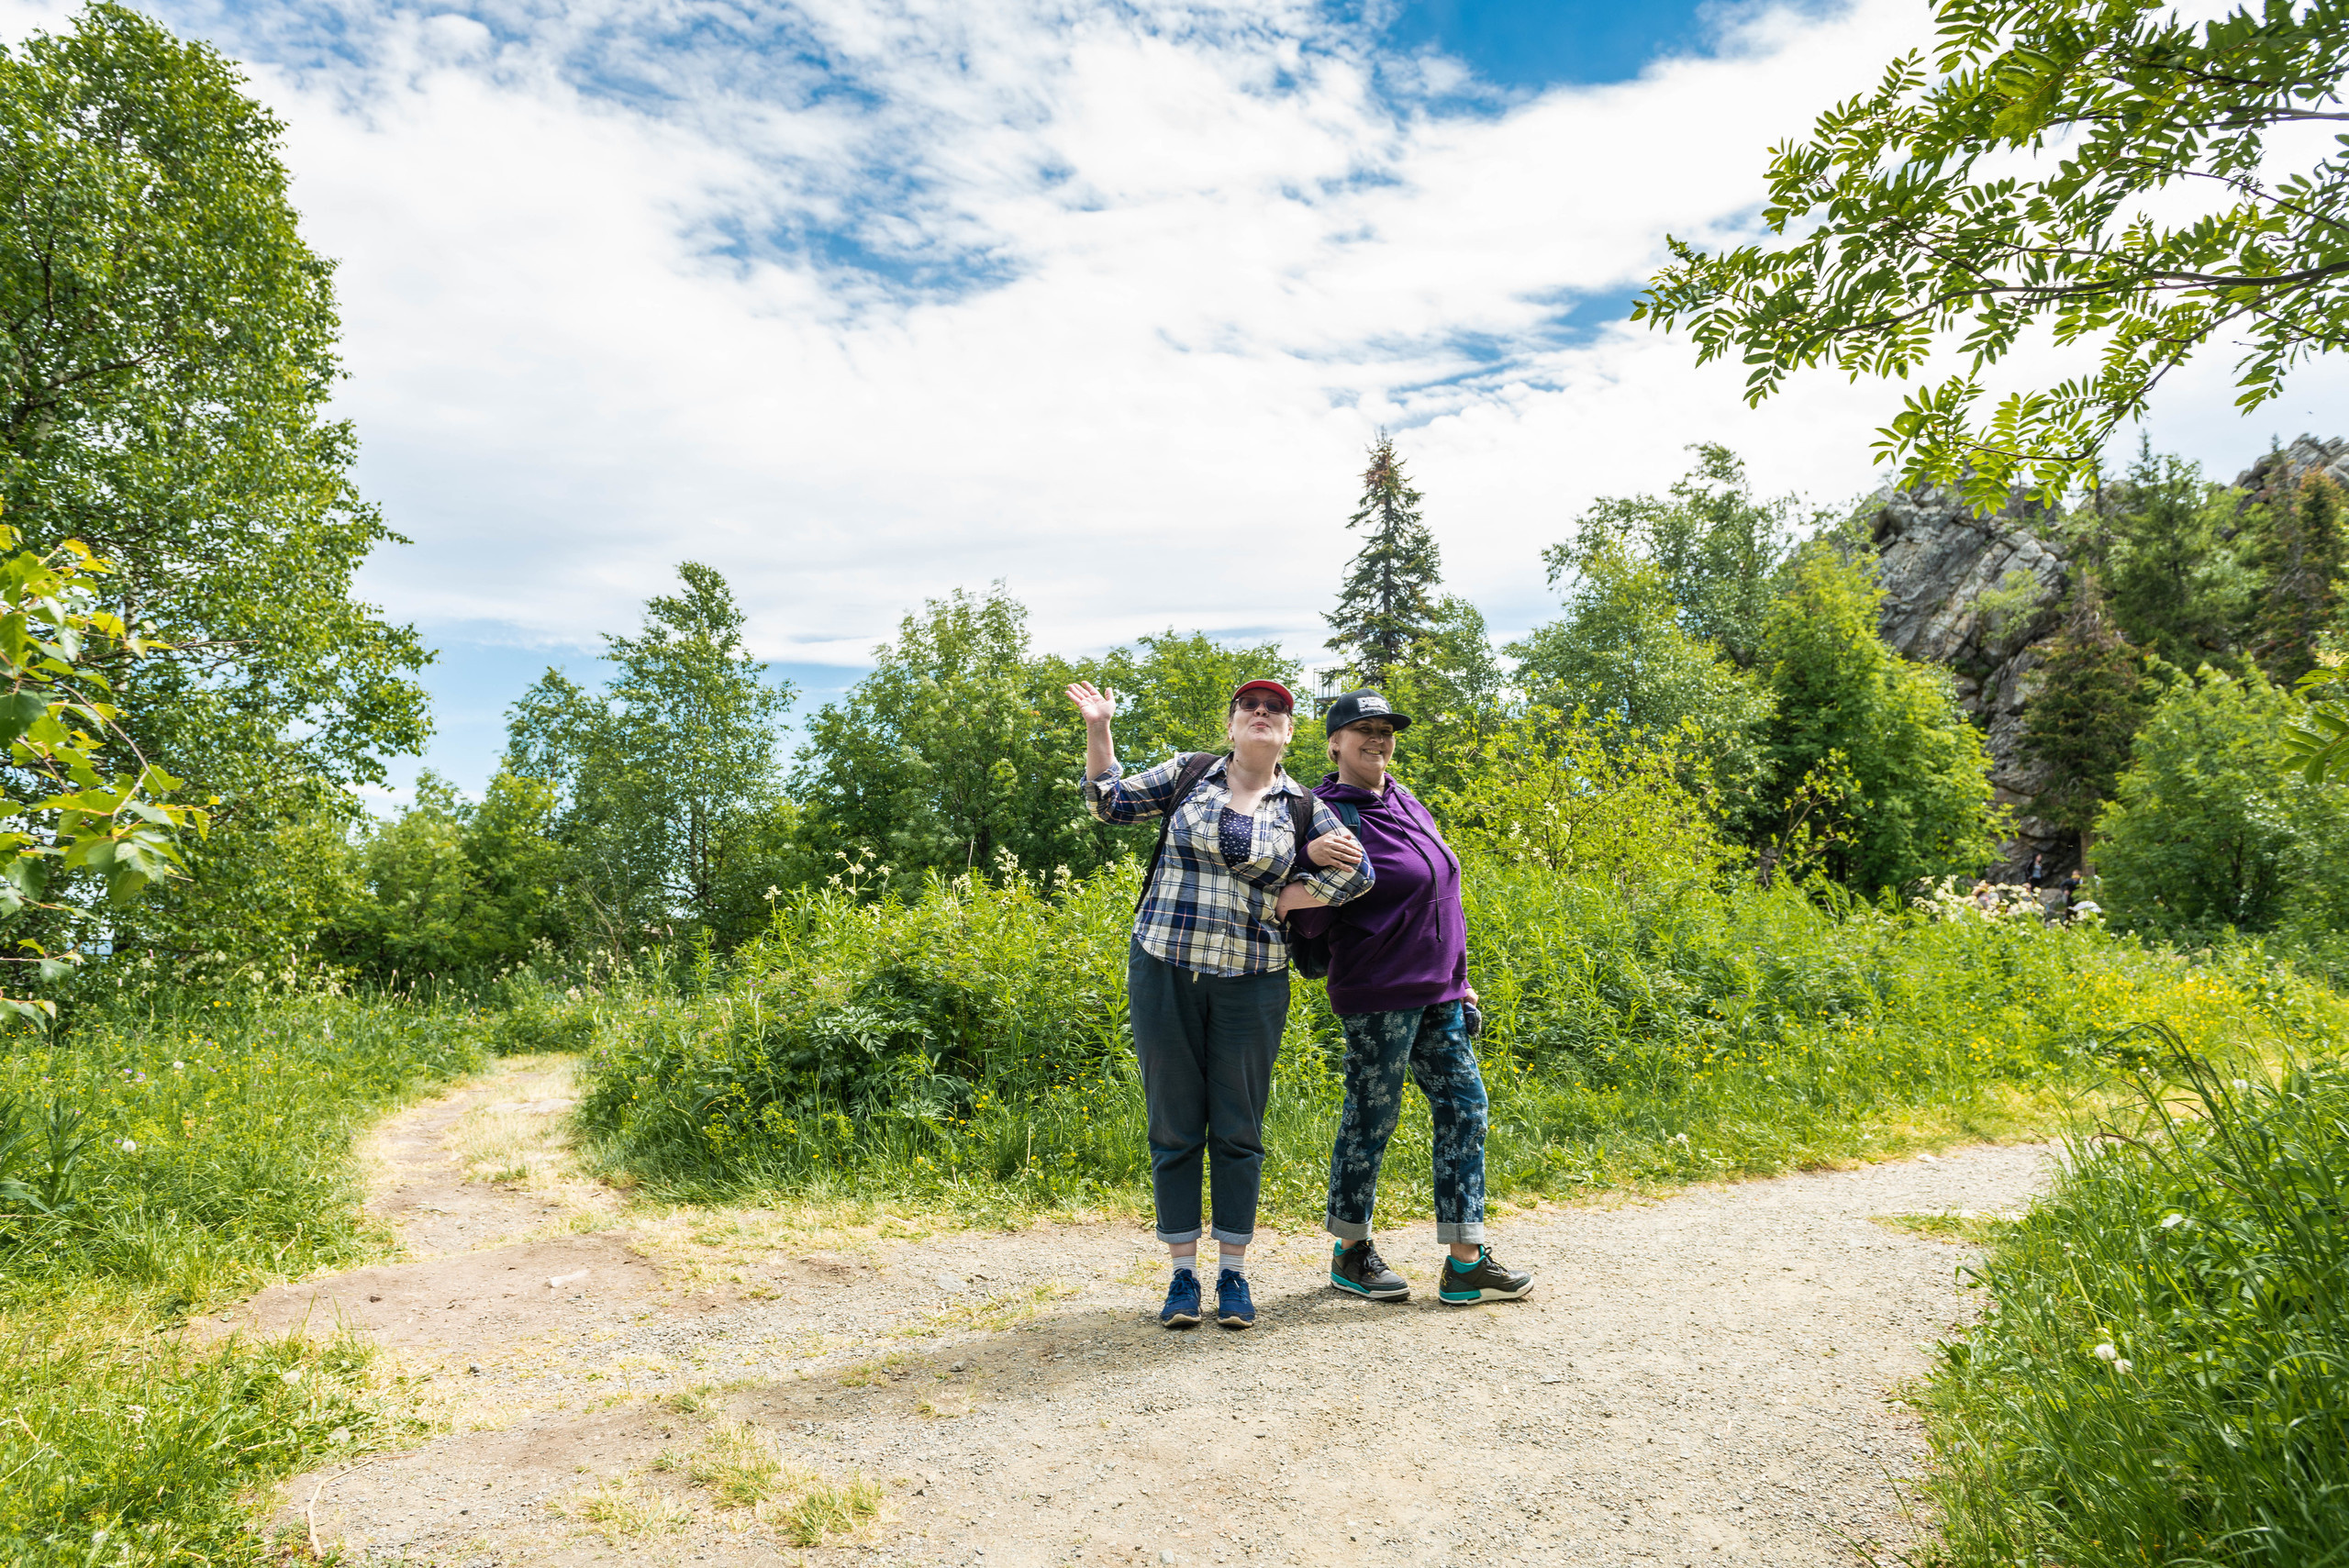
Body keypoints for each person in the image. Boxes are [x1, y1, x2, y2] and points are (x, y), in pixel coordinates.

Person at [1068, 676, 1373, 1331]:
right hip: (1164, 967)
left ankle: (1233, 1274)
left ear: (1289, 733)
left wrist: (1294, 890)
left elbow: (1359, 874)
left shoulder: (1304, 805)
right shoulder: (1190, 773)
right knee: (1175, 1124)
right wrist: (1100, 727)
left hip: (1252, 980)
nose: (1262, 714)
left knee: (1239, 1127)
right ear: (1233, 725)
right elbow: (1107, 801)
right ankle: (1182, 1277)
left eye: (1276, 710)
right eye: (1250, 707)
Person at [1281, 690, 1534, 1306]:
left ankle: (1466, 1261)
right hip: (1377, 993)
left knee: (1465, 1109)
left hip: (1440, 991)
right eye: (1362, 729)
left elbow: (1446, 888)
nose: (1377, 738)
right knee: (1372, 1118)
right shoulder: (1326, 813)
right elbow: (1300, 902)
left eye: (1385, 729)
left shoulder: (1404, 799)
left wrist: (1463, 977)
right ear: (1335, 743)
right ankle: (1350, 1251)